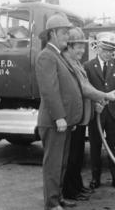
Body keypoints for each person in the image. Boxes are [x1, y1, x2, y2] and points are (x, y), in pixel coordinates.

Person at [61, 27, 115, 201]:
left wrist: (95, 103)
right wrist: (105, 96)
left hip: (81, 117)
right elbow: (85, 89)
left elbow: (84, 90)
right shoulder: (67, 62)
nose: (81, 50)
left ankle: (77, 187)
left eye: (83, 47)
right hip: (72, 117)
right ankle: (70, 191)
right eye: (78, 47)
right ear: (69, 47)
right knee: (71, 158)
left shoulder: (77, 63)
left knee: (77, 156)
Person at [35, 13, 83, 210]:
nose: (68, 37)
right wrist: (60, 117)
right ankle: (52, 203)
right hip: (55, 122)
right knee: (53, 165)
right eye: (64, 33)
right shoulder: (46, 56)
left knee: (61, 163)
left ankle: (58, 197)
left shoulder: (57, 56)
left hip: (63, 122)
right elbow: (49, 90)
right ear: (53, 33)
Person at [84, 32, 115, 192]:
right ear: (98, 49)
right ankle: (95, 179)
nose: (108, 53)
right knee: (95, 146)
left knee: (114, 147)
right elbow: (86, 89)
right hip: (96, 113)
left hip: (113, 113)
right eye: (105, 50)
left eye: (111, 50)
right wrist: (93, 103)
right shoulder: (88, 66)